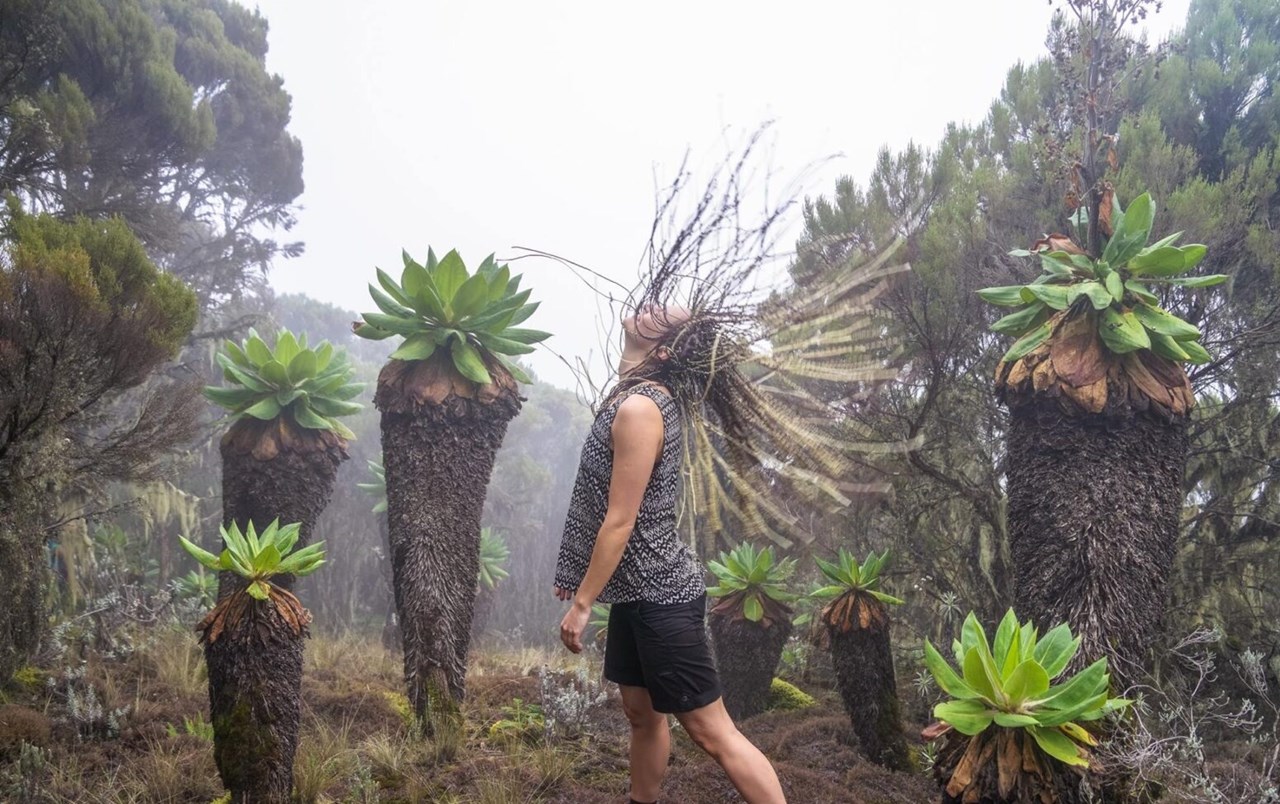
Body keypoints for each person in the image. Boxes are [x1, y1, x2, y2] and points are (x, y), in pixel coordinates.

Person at [553, 302, 787, 804]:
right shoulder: (634, 397)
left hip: (661, 596)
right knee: (641, 714)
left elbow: (620, 519)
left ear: (662, 351)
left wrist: (583, 603)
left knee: (711, 732)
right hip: (636, 594)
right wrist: (580, 572)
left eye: (664, 315)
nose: (651, 305)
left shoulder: (640, 409)